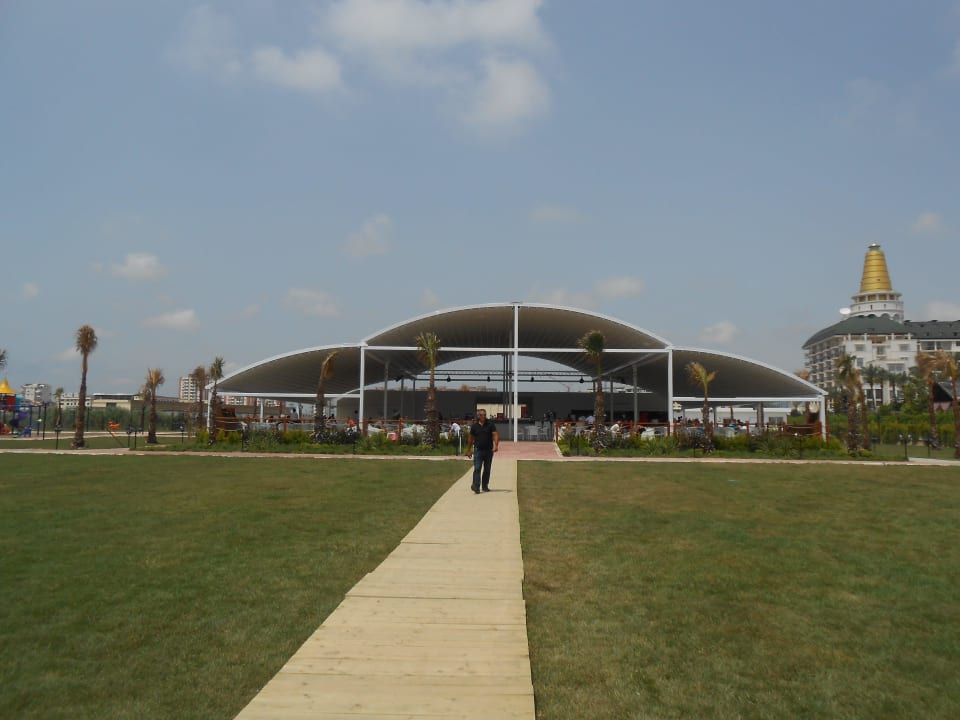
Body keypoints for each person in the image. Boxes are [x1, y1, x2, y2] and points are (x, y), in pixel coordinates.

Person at [466, 409, 499, 493]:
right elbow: (470, 438)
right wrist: (469, 450)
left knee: (487, 469)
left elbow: (495, 434)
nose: (483, 416)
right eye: (481, 415)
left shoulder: (490, 424)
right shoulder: (474, 426)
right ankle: (476, 486)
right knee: (477, 468)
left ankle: (485, 486)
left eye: (484, 415)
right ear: (478, 416)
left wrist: (496, 445)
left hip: (488, 451)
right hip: (478, 450)